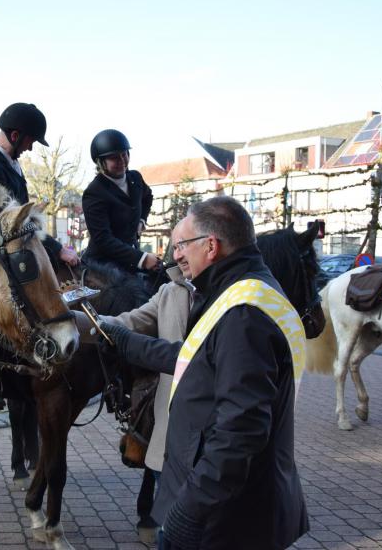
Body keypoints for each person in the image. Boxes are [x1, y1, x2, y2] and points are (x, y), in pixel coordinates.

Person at [100, 196, 308, 550]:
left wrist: (189, 512)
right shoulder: (245, 291)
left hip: (224, 520)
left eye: (181, 245)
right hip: (234, 506)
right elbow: (197, 358)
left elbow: (240, 430)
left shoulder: (242, 313)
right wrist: (126, 341)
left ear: (211, 246)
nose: (176, 255)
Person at [0, 102, 79, 410]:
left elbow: (26, 219)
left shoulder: (11, 165)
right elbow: (7, 219)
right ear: (16, 135)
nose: (31, 148)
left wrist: (56, 250)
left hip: (12, 246)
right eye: (31, 140)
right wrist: (58, 248)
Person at [103, 260, 193, 542]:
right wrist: (78, 318)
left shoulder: (230, 295)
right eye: (175, 247)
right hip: (169, 426)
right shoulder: (169, 291)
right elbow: (129, 320)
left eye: (184, 245)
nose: (178, 255)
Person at [81, 129, 160, 274]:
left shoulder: (135, 178)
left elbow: (148, 197)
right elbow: (103, 240)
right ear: (100, 162)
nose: (122, 161)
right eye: (114, 158)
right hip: (103, 265)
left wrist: (142, 220)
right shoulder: (94, 193)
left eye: (124, 154)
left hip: (130, 258)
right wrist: (142, 259)